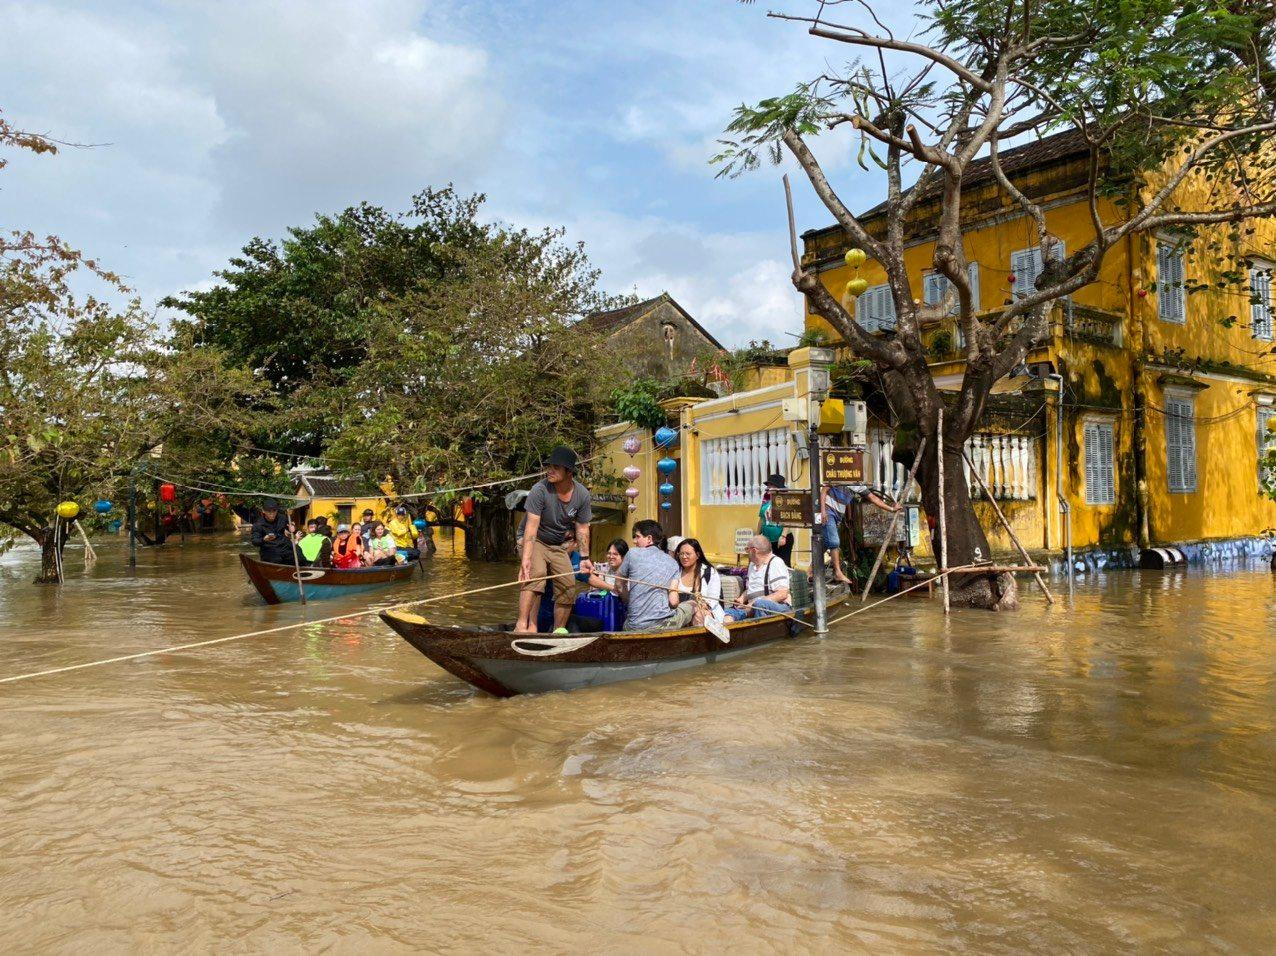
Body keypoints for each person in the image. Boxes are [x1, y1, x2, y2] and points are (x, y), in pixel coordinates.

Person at [515, 446, 594, 633]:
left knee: (568, 584)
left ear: (569, 472)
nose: (549, 470)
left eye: (556, 467)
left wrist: (584, 558)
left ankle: (558, 631)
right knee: (536, 574)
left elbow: (582, 528)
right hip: (534, 540)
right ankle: (522, 625)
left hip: (557, 545)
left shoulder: (582, 495)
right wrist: (526, 560)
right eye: (549, 466)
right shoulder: (540, 490)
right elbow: (531, 528)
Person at [616, 519, 678, 631]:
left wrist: (631, 601)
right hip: (663, 625)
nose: (634, 541)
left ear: (649, 538)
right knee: (690, 606)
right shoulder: (673, 563)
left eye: (637, 537)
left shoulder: (632, 553)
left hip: (634, 626)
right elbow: (673, 602)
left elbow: (619, 584)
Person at [725, 535, 792, 621]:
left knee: (760, 604)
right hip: (753, 608)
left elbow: (782, 594)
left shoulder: (776, 563)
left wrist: (754, 604)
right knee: (725, 613)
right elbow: (750, 590)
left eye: (747, 549)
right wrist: (742, 599)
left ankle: (758, 627)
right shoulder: (752, 565)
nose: (746, 552)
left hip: (778, 607)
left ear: (754, 551)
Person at [668, 537, 725, 628]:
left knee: (699, 616)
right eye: (681, 553)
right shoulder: (675, 571)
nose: (684, 557)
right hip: (680, 613)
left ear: (698, 555)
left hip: (704, 611)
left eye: (688, 554)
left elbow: (713, 599)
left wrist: (702, 606)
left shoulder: (709, 572)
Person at [758, 473, 793, 565]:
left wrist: (783, 536)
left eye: (771, 485)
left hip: (781, 539)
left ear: (778, 488)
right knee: (769, 565)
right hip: (768, 540)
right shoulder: (766, 499)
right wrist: (757, 536)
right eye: (768, 485)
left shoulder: (784, 499)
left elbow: (788, 519)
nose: (768, 488)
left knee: (782, 565)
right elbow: (762, 519)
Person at [250, 498, 295, 564]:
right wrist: (264, 539)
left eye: (274, 511)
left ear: (277, 510)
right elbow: (255, 541)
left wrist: (292, 530)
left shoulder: (282, 518)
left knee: (299, 554)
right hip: (269, 550)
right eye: (269, 511)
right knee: (275, 558)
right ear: (263, 511)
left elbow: (290, 528)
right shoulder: (258, 524)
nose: (272, 513)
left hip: (284, 547)